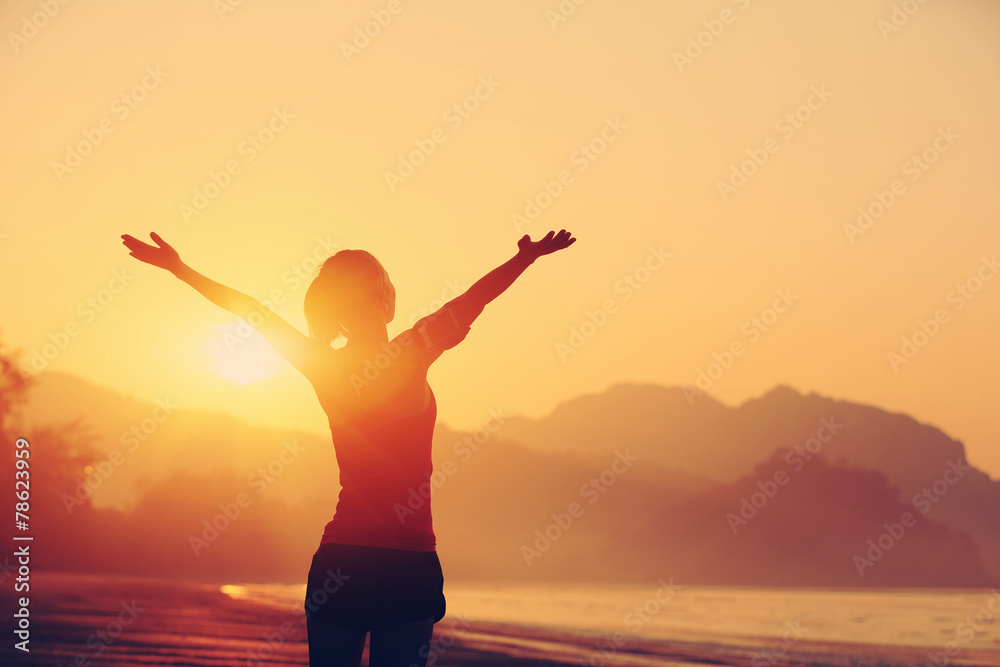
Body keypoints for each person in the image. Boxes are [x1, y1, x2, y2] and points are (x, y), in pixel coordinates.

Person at [120, 228, 576, 666]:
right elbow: (473, 300)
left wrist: (180, 269)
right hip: (408, 562)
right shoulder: (415, 348)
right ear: (385, 298)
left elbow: (250, 310)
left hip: (343, 561)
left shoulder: (324, 366)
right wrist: (523, 259)